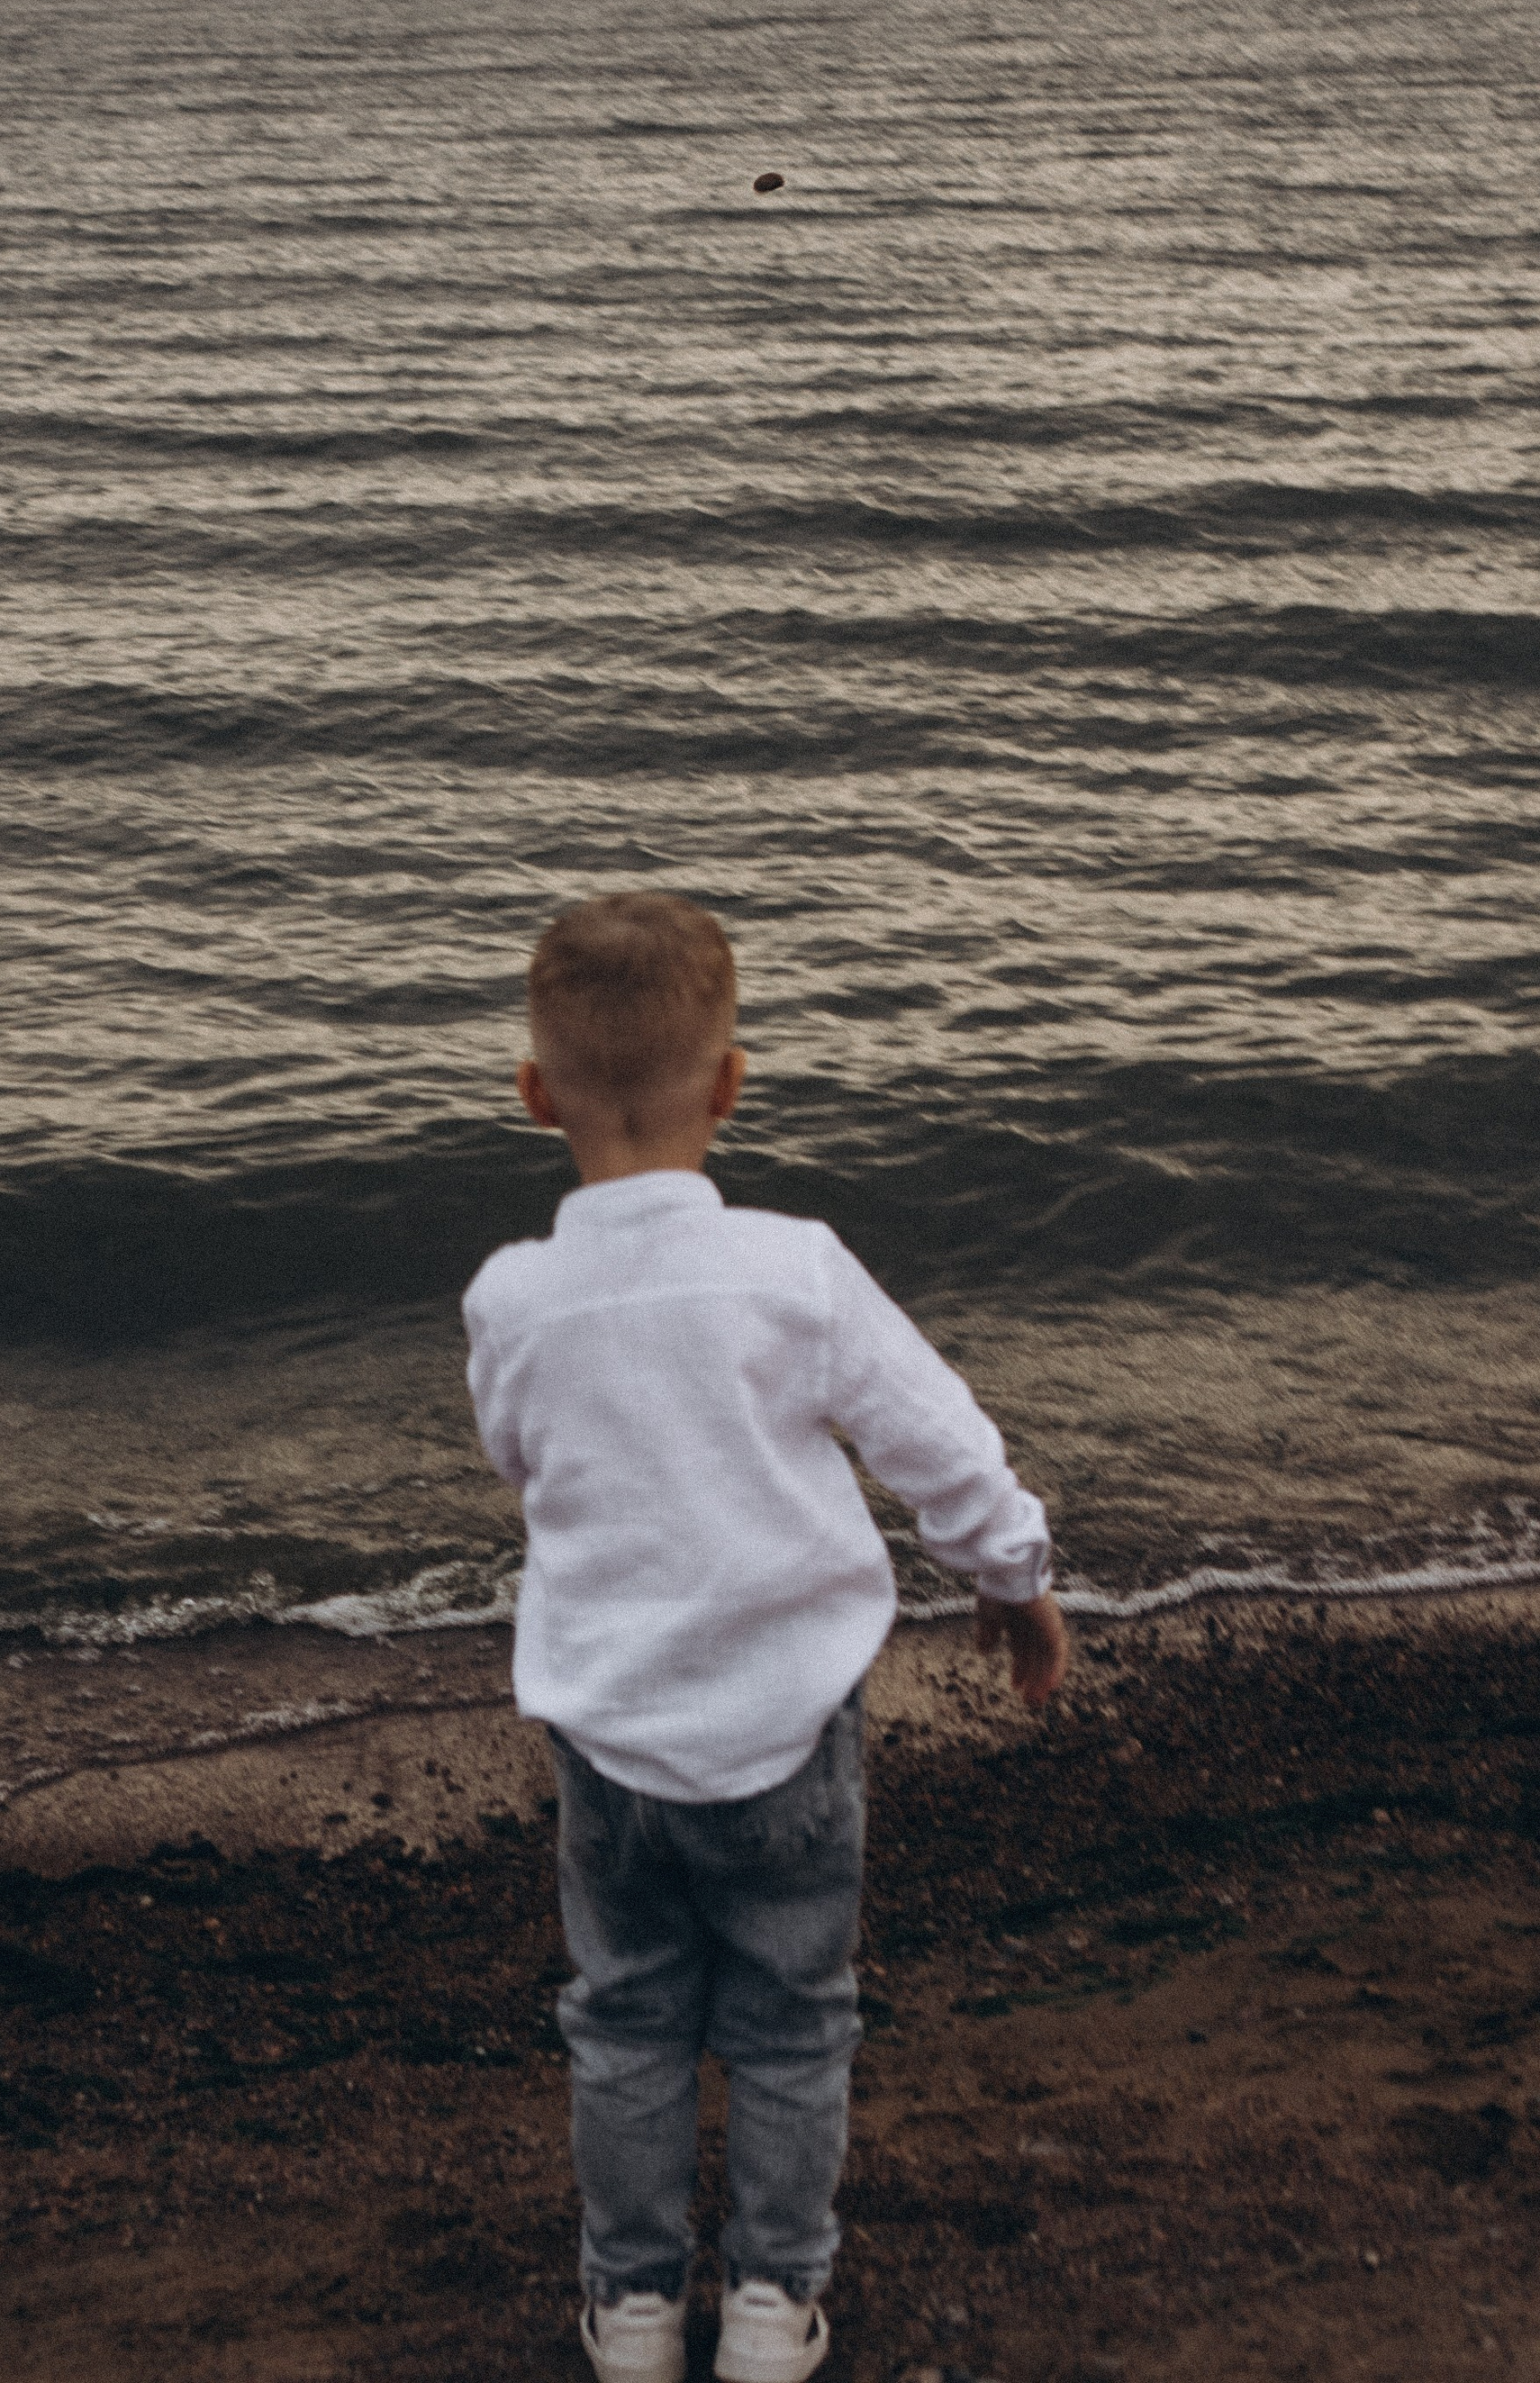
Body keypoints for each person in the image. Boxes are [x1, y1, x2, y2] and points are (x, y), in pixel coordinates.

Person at [464, 891, 1069, 2383]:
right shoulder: (795, 1271)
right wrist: (1015, 1572)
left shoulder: (513, 1299)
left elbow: (517, 1458)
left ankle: (633, 2306)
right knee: (796, 2026)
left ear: (537, 1098)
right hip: (790, 1737)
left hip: (611, 1742)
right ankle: (771, 2306)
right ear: (731, 1087)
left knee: (626, 2021)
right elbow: (934, 1439)